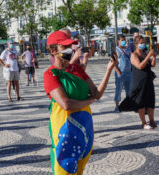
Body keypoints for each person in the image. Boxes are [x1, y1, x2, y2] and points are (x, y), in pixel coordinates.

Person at [44, 31, 116, 175]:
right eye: (64, 47)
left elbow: (97, 93)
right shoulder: (50, 74)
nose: (69, 49)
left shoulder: (77, 69)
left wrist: (109, 69)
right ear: (53, 50)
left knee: (80, 168)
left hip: (84, 125)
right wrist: (90, 100)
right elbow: (66, 104)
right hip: (64, 128)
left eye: (70, 46)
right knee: (63, 168)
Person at [119, 35, 159, 130]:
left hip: (148, 80)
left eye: (144, 43)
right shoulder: (134, 55)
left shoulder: (145, 53)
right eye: (141, 43)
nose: (143, 45)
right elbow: (140, 66)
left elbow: (152, 65)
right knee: (141, 102)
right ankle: (144, 123)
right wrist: (148, 56)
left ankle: (152, 121)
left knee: (151, 101)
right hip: (139, 82)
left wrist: (154, 57)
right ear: (136, 44)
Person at [113, 34, 132, 112]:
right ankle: (117, 106)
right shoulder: (116, 50)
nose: (124, 41)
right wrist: (118, 72)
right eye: (122, 40)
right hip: (120, 73)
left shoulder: (128, 49)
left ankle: (129, 105)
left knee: (129, 90)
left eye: (124, 40)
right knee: (118, 90)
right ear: (118, 41)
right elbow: (113, 63)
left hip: (129, 73)